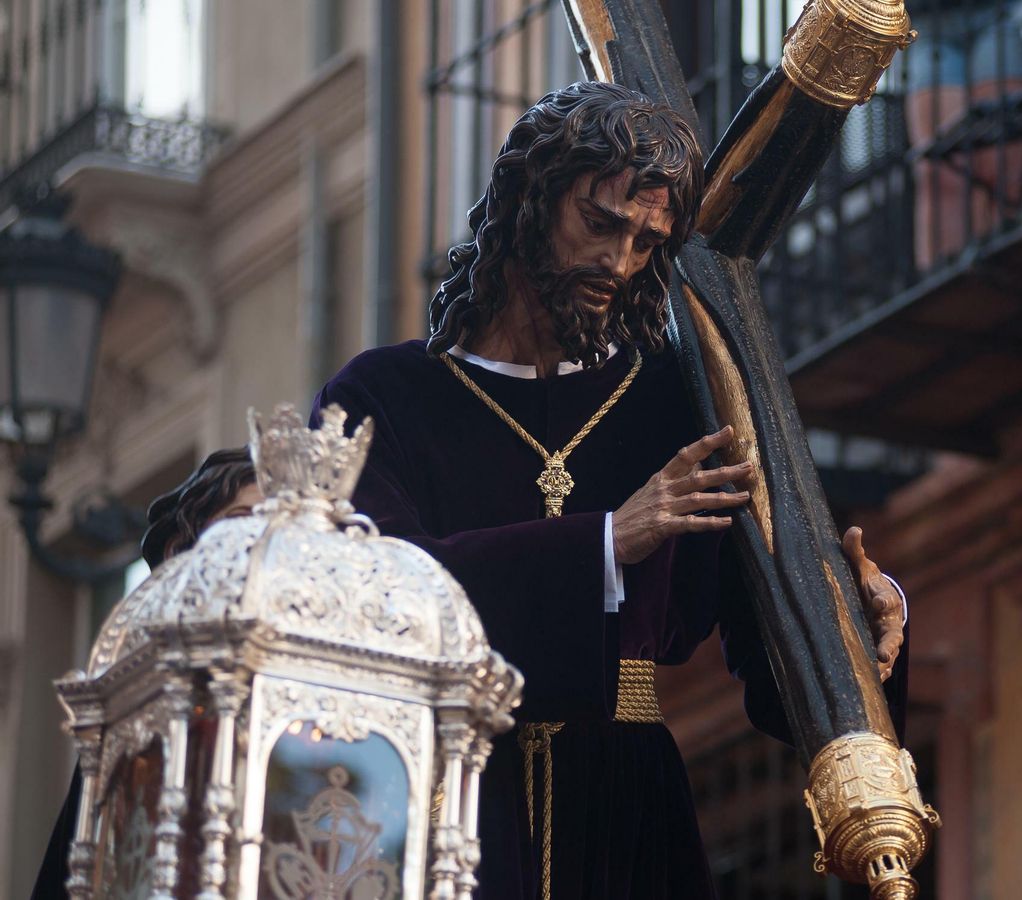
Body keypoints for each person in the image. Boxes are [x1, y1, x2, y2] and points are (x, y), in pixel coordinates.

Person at [313, 81, 907, 899]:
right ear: (530, 199)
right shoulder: (385, 399)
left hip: (630, 819)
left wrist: (860, 631)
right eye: (600, 223)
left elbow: (771, 654)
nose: (620, 262)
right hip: (454, 801)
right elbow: (363, 592)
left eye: (645, 240)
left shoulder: (678, 399)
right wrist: (602, 542)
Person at [30, 447, 261, 900]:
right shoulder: (140, 696)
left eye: (274, 526)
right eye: (241, 521)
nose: (260, 540)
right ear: (183, 550)